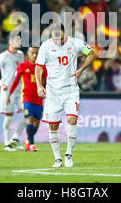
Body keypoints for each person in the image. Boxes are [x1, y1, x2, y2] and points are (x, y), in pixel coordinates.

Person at [35, 23, 97, 168]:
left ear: (65, 34)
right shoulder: (45, 46)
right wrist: (39, 85)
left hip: (70, 89)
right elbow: (38, 67)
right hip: (53, 92)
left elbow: (92, 53)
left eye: (61, 39)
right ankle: (57, 159)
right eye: (56, 39)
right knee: (53, 126)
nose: (59, 42)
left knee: (72, 119)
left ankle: (68, 154)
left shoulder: (75, 43)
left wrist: (81, 70)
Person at [8, 47, 47, 152]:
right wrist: (9, 94)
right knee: (29, 118)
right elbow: (16, 81)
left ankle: (28, 140)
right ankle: (32, 144)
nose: (35, 55)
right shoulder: (22, 66)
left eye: (36, 53)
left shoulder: (43, 67)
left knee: (36, 122)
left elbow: (47, 80)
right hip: (27, 97)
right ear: (28, 54)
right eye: (32, 53)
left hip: (39, 98)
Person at [0, 35, 25, 151]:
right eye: (17, 40)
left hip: (19, 89)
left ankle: (15, 138)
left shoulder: (20, 55)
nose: (19, 42)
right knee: (9, 116)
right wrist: (1, 83)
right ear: (10, 42)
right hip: (7, 90)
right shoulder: (3, 56)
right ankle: (6, 143)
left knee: (28, 114)